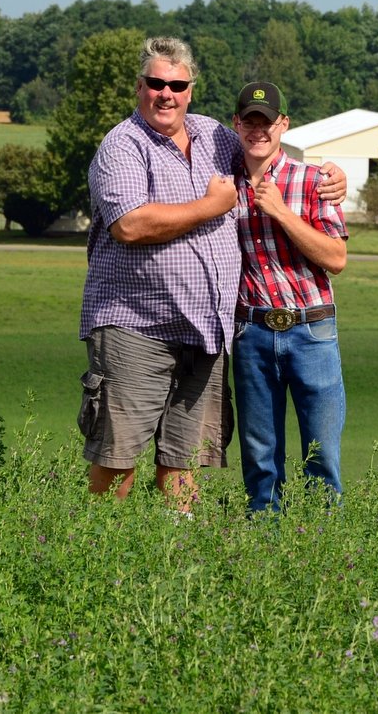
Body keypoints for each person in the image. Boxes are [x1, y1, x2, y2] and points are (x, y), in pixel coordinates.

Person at [77, 38, 345, 509]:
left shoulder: (213, 138)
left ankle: (178, 553)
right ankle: (98, 546)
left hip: (206, 334)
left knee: (183, 457)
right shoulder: (123, 146)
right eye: (157, 83)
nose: (167, 93)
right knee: (117, 453)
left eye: (177, 85)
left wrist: (333, 177)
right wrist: (209, 207)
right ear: (140, 87)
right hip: (138, 328)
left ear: (191, 90)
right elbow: (129, 225)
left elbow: (267, 158)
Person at [231, 81, 349, 512]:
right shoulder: (223, 184)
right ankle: (262, 560)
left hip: (311, 330)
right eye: (249, 120)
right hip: (252, 333)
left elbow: (336, 258)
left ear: (284, 124)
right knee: (260, 462)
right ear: (236, 124)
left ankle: (322, 557)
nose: (258, 130)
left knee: (322, 459)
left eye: (267, 121)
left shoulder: (314, 180)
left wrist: (281, 212)